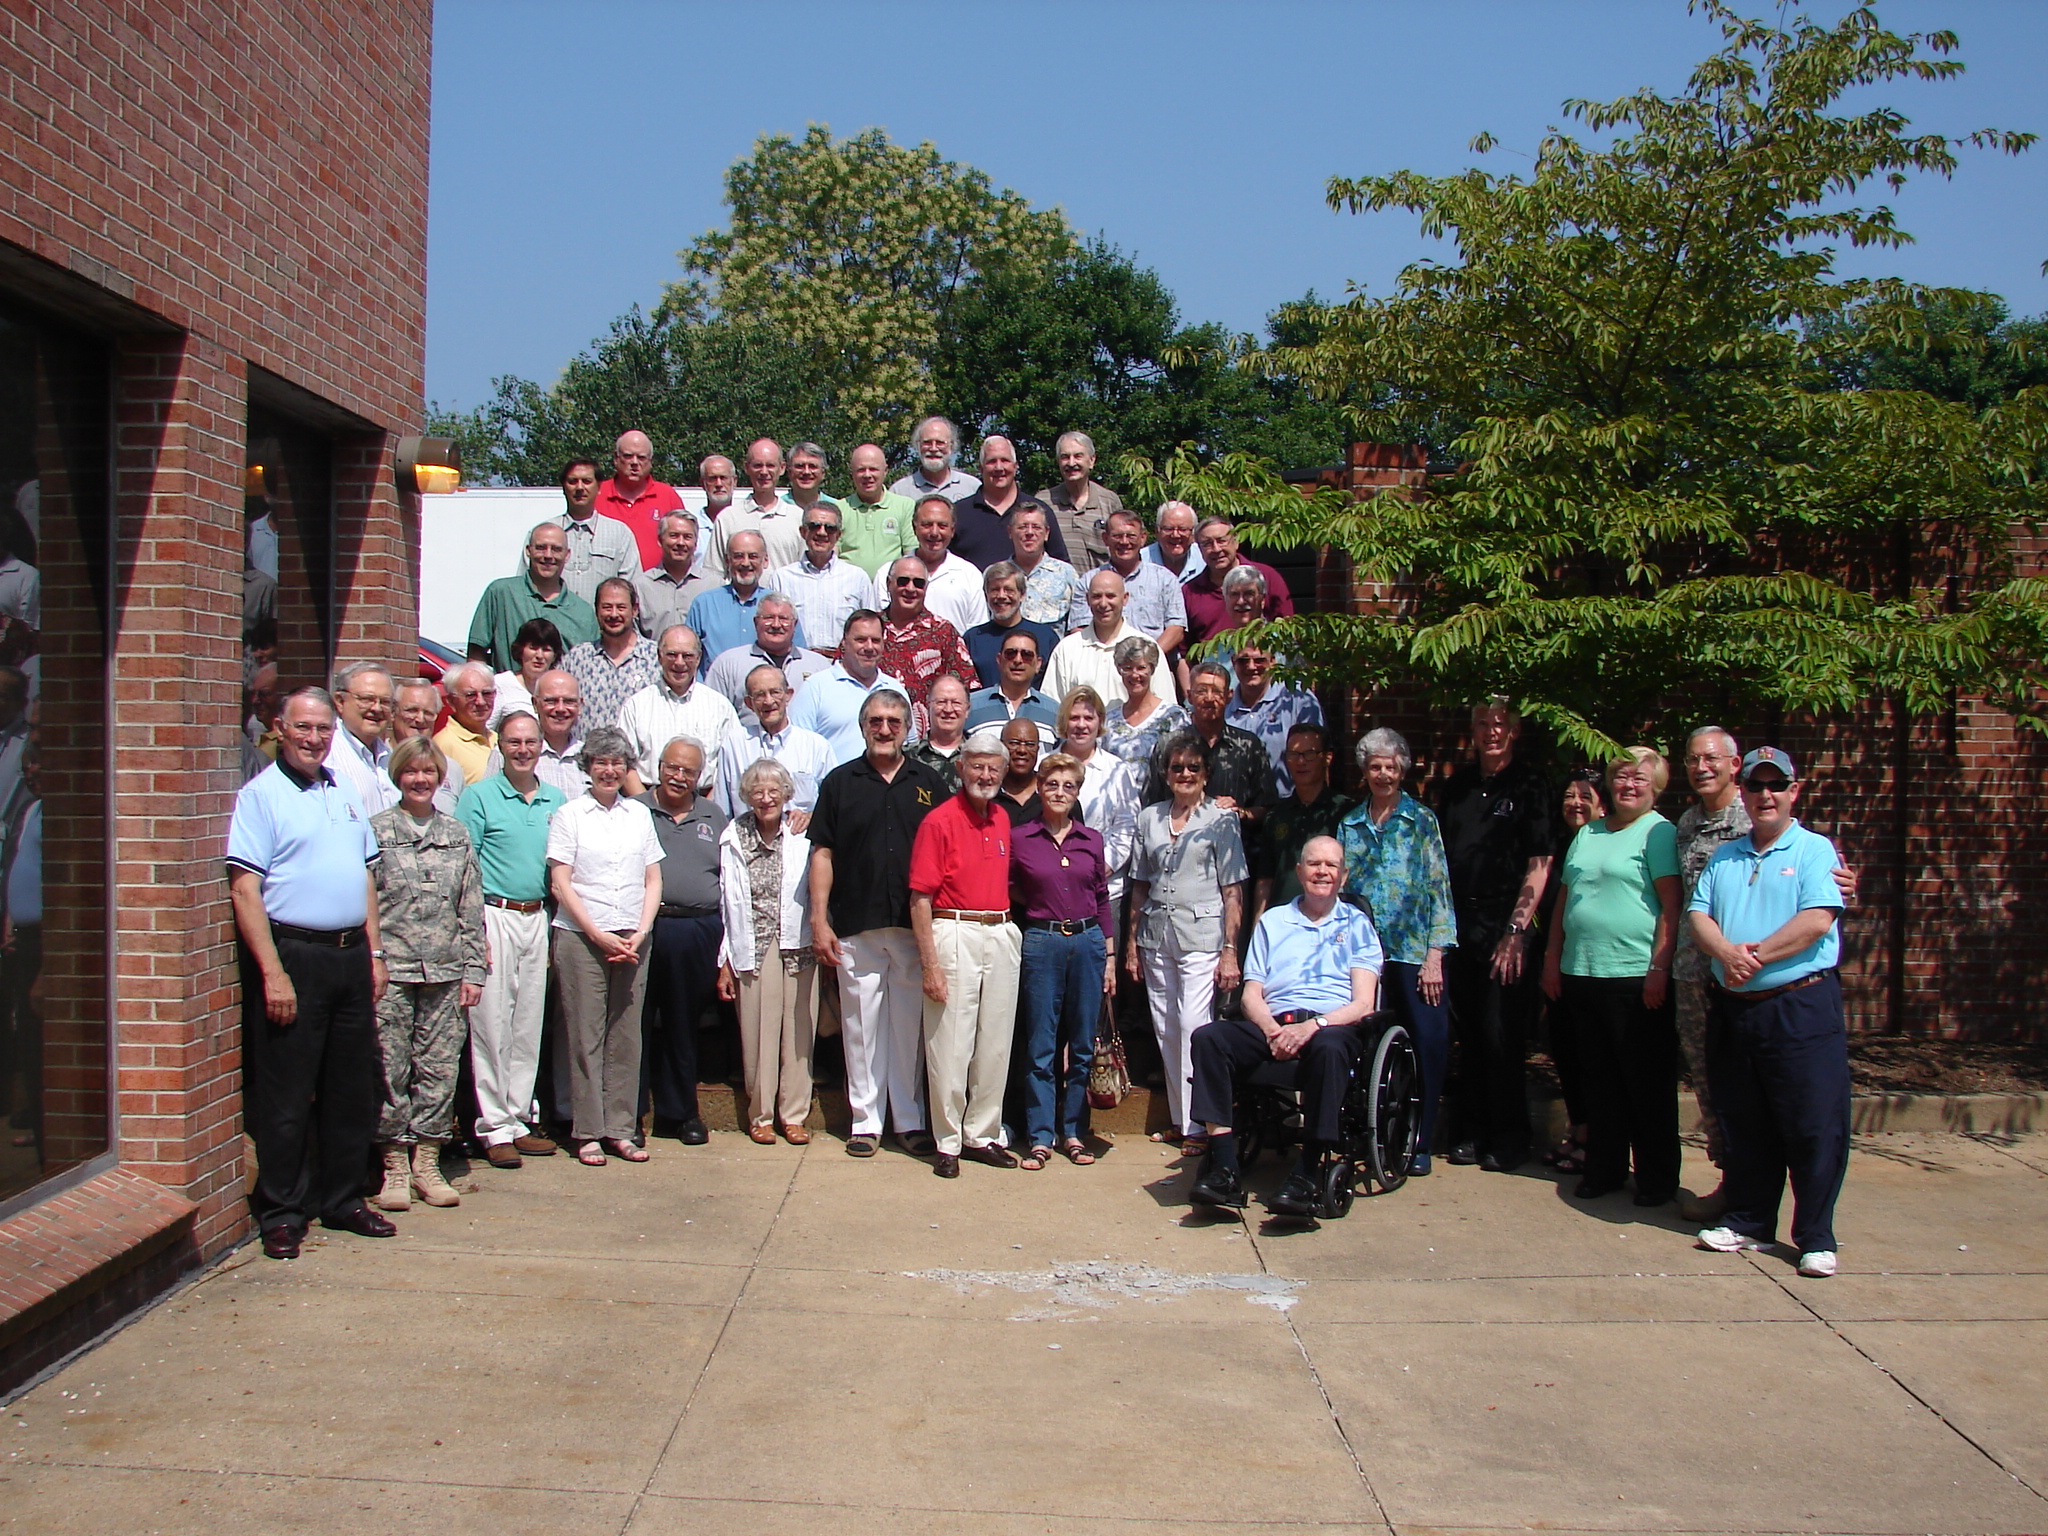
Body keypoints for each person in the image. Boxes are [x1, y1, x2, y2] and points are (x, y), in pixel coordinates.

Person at [226, 688, 392, 1259]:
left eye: (323, 729)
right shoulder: (261, 797)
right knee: (288, 1094)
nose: (314, 738)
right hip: (295, 955)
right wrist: (272, 973)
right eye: (303, 727)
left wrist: (374, 953)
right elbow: (245, 890)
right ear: (280, 727)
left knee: (350, 1089)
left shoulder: (340, 790)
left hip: (349, 956)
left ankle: (342, 1199)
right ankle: (282, 1211)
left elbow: (364, 875)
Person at [1687, 747, 1850, 1279]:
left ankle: (1815, 1238)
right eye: (1755, 786)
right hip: (1735, 1008)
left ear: (1793, 791)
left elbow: (1818, 919)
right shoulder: (1726, 856)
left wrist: (1752, 957)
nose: (1765, 795)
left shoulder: (1815, 850)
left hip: (1799, 1007)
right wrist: (1724, 953)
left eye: (1775, 785)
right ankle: (1749, 1220)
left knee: (1811, 1123)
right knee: (1744, 1119)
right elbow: (1699, 915)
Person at [1185, 836, 1384, 1214]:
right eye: (1314, 864)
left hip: (1330, 1027)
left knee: (1329, 1049)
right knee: (1209, 1038)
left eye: (1331, 865)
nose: (1322, 872)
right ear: (1299, 871)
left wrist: (1312, 1028)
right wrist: (1272, 1030)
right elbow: (1250, 995)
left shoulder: (1357, 925)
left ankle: (1307, 1172)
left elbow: (1363, 1003)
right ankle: (1224, 1167)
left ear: (1343, 875)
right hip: (1274, 1024)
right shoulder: (1273, 921)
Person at [1540, 748, 1682, 1206]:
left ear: (1655, 786)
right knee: (1598, 1081)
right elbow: (1565, 900)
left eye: (1639, 778)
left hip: (1635, 976)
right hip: (1582, 972)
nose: (1629, 785)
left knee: (1645, 1083)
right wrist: (1552, 956)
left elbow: (1671, 906)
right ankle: (1605, 1168)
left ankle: (1657, 1179)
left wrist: (1659, 968)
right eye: (1621, 776)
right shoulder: (1588, 833)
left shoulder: (1658, 832)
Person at [807, 691, 947, 1157]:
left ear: (908, 728)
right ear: (862, 726)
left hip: (912, 928)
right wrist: (819, 918)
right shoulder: (839, 782)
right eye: (875, 721)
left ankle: (908, 1120)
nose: (884, 729)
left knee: (908, 1030)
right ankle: (865, 1122)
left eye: (893, 721)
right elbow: (822, 853)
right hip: (856, 923)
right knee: (861, 1029)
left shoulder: (929, 782)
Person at [368, 735, 485, 1212]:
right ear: (398, 776)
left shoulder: (455, 834)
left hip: (445, 972)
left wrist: (474, 970)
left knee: (439, 1069)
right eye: (412, 771)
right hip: (392, 972)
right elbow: (366, 902)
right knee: (389, 1068)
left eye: (429, 772)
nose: (420, 780)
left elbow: (469, 906)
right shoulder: (376, 832)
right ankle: (394, 1164)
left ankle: (428, 1161)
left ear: (440, 779)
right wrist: (372, 958)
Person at [1437, 697, 1552, 1174]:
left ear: (1514, 731)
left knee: (1501, 1032)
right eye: (1483, 723)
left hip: (1506, 924)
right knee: (1467, 1033)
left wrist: (1516, 930)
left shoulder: (1530, 785)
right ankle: (1471, 1130)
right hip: (1460, 922)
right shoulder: (1458, 786)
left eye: (1500, 723)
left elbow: (1540, 862)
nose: (1491, 731)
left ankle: (1510, 1136)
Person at [1338, 727, 1455, 1174]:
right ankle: (1369, 1139)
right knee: (1366, 1050)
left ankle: (1418, 1142)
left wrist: (1435, 956)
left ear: (1402, 770)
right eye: (1375, 766)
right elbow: (1340, 892)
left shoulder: (1421, 821)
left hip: (1413, 954)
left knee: (1426, 1044)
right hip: (1365, 957)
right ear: (1364, 771)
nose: (1383, 774)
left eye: (1390, 766)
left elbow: (1439, 888)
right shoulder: (1350, 824)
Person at [547, 726, 664, 1167]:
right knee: (585, 1035)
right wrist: (596, 933)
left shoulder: (638, 814)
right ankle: (588, 1131)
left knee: (626, 1036)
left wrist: (641, 931)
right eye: (601, 762)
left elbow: (653, 878)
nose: (610, 770)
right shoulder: (570, 815)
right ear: (588, 767)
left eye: (617, 762)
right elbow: (561, 881)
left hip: (633, 938)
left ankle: (620, 1128)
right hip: (582, 938)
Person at [1126, 732, 1248, 1153]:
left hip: (1203, 935)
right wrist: (1131, 944)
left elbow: (1233, 890)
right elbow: (1139, 885)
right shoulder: (1149, 818)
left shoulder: (1221, 818)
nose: (1185, 774)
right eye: (1177, 767)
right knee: (1166, 1028)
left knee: (1194, 1025)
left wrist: (1230, 951)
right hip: (1156, 934)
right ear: (1166, 773)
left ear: (1206, 774)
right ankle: (1182, 1122)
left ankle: (1202, 1125)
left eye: (1193, 767)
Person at [454, 710, 565, 1170]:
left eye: (530, 742)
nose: (523, 750)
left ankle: (520, 1117)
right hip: (492, 916)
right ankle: (493, 1126)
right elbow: (465, 867)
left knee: (527, 1024)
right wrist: (472, 931)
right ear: (500, 746)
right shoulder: (479, 797)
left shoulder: (556, 799)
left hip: (536, 917)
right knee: (491, 1023)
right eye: (514, 742)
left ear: (541, 746)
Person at [907, 732, 1020, 1176]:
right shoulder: (938, 821)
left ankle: (982, 1134)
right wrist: (930, 965)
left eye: (994, 767)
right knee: (950, 1044)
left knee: (995, 1042)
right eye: (977, 765)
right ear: (960, 768)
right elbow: (920, 898)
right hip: (954, 929)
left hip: (1000, 930)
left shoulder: (1003, 818)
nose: (985, 775)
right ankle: (948, 1141)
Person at [1011, 751, 1115, 1169]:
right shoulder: (1021, 838)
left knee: (1083, 1043)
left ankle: (1073, 1131)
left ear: (1077, 793)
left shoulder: (1092, 840)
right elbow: (1010, 886)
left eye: (1068, 786)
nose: (1059, 792)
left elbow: (1102, 897)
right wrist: (1042, 905)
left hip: (1088, 942)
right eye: (1052, 784)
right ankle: (1040, 1135)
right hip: (1043, 941)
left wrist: (1109, 954)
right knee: (1041, 1043)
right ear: (1040, 788)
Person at [717, 759, 817, 1145]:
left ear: (786, 793)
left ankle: (794, 1115)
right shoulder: (733, 835)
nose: (766, 798)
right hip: (753, 943)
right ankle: (760, 1115)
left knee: (798, 1033)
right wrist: (724, 960)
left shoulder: (801, 832)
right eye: (757, 791)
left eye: (774, 790)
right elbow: (726, 901)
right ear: (747, 796)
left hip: (798, 942)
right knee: (758, 1032)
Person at [637, 735, 727, 1147]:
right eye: (672, 767)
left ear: (699, 776)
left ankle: (680, 1113)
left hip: (696, 930)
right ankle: (630, 1114)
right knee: (634, 1023)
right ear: (658, 768)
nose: (678, 776)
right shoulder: (634, 811)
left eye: (688, 771)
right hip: (643, 929)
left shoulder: (714, 816)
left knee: (683, 1024)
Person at [1536, 768, 1609, 1178]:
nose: (1575, 803)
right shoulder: (1558, 845)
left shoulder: (1606, 844)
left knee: (1593, 1056)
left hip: (1598, 968)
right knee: (1565, 1051)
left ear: (1602, 805)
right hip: (1559, 963)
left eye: (1585, 796)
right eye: (1568, 795)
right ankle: (1579, 1128)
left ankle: (1596, 1137)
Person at [1139, 662, 1275, 840]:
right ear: (1189, 696)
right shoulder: (1168, 745)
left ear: (1229, 696)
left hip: (1233, 847)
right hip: (1175, 846)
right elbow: (1150, 804)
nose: (1209, 698)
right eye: (1201, 691)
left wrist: (1241, 813)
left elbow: (1268, 807)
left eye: (1217, 691)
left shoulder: (1247, 746)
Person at [617, 626, 740, 796]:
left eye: (687, 656)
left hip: (705, 800)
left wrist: (708, 806)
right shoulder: (636, 706)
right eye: (672, 655)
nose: (679, 662)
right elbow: (624, 763)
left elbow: (732, 763)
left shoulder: (720, 707)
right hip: (647, 799)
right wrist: (644, 807)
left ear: (698, 658)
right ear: (659, 656)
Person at [466, 522, 599, 673]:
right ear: (528, 551)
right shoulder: (501, 594)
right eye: (541, 548)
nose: (548, 555)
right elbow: (475, 656)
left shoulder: (583, 612)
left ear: (567, 555)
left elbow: (591, 667)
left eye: (556, 549)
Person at [788, 610, 914, 764]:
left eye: (875, 640)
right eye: (861, 640)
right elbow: (798, 748)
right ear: (844, 642)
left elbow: (910, 746)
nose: (869, 647)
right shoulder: (815, 688)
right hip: (833, 779)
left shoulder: (896, 689)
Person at [713, 664, 836, 817]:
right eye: (759, 695)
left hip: (800, 832)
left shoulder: (816, 746)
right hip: (747, 831)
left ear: (788, 695)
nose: (768, 701)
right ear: (749, 703)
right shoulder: (734, 743)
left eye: (775, 692)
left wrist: (809, 817)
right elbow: (722, 808)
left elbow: (834, 804)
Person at [1044, 570, 1173, 707]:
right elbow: (1051, 707)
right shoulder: (1067, 649)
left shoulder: (1147, 647)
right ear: (1087, 599)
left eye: (1110, 596)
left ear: (1125, 598)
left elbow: (1166, 708)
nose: (1103, 604)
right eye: (1097, 596)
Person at [1072, 508, 1187, 657]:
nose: (1124, 542)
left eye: (1131, 536)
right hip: (1100, 661)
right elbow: (1079, 629)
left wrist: (1146, 658)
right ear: (1105, 538)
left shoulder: (1165, 579)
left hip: (1153, 663)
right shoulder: (1088, 581)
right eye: (1117, 536)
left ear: (1143, 538)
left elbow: (1176, 629)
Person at [878, 555, 977, 725]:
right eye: (903, 581)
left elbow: (966, 688)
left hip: (926, 736)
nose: (910, 588)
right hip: (876, 730)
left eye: (918, 583)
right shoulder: (869, 629)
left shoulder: (943, 632)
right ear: (889, 584)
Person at [687, 530, 808, 668]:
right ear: (727, 561)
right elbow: (687, 653)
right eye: (738, 556)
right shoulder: (704, 604)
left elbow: (800, 656)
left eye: (753, 556)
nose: (745, 563)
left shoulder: (781, 606)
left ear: (765, 561)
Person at [770, 499, 869, 657]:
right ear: (803, 532)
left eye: (830, 528)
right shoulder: (782, 578)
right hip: (797, 661)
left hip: (842, 663)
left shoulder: (857, 578)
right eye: (814, 526)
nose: (822, 533)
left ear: (838, 535)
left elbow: (869, 628)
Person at [562, 577, 660, 733]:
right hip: (587, 748)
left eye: (621, 607)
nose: (614, 614)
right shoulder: (577, 659)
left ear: (634, 610)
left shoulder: (656, 658)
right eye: (607, 607)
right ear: (596, 610)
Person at [535, 457, 638, 606]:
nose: (580, 487)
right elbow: (525, 585)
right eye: (572, 481)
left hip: (599, 620)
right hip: (552, 619)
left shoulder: (620, 533)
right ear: (563, 487)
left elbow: (632, 589)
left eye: (587, 481)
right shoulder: (542, 533)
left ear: (599, 487)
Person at [881, 496, 988, 637]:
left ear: (952, 530)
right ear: (914, 528)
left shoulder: (969, 574)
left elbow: (977, 631)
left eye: (942, 526)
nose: (934, 533)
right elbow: (875, 625)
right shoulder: (889, 572)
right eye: (927, 525)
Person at [702, 593, 830, 710]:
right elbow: (711, 711)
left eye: (783, 619)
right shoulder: (727, 664)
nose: (776, 625)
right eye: (769, 618)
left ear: (794, 624)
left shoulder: (819, 665)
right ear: (756, 622)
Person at [1226, 644, 1323, 797]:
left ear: (1272, 661)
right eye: (1243, 661)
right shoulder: (1224, 706)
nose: (1251, 667)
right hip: (1235, 805)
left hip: (1289, 804)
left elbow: (1316, 758)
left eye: (1259, 660)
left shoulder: (1298, 698)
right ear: (1233, 662)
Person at [1183, 517, 1294, 645]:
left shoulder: (1267, 576)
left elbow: (1286, 629)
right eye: (1207, 544)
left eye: (1222, 541)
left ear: (1236, 542)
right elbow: (1185, 649)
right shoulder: (1190, 591)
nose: (1216, 549)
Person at [598, 429, 689, 573]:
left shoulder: (667, 496)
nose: (635, 462)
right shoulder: (597, 494)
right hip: (609, 583)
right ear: (616, 458)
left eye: (641, 457)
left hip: (658, 582)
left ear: (650, 461)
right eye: (628, 456)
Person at [712, 437, 804, 571]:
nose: (764, 472)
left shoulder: (798, 518)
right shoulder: (728, 518)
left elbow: (805, 572)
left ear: (782, 468)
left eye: (770, 465)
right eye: (757, 465)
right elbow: (714, 573)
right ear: (747, 468)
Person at [1037, 430, 1124, 570]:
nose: (1071, 463)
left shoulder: (1109, 501)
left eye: (1078, 456)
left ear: (1092, 460)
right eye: (1065, 457)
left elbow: (1122, 548)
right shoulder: (1043, 502)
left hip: (1100, 582)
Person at [965, 562, 1058, 689]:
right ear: (986, 595)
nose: (1001, 596)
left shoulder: (1046, 637)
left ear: (1022, 595)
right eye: (995, 590)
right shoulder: (972, 639)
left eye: (1009, 590)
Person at [325, 661, 398, 815]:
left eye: (385, 702)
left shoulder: (389, 757)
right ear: (340, 701)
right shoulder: (327, 754)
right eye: (366, 699)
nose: (376, 708)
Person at [634, 511, 719, 640]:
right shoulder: (641, 587)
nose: (680, 542)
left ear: (696, 543)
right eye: (674, 536)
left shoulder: (714, 586)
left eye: (687, 537)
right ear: (660, 540)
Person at [1102, 635, 1186, 764]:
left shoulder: (1173, 716)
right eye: (1127, 668)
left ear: (1152, 669)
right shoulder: (1109, 721)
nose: (1135, 675)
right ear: (1119, 670)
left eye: (1141, 668)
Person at [838, 442, 918, 579]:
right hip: (848, 586)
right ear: (852, 473)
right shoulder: (839, 508)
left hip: (891, 587)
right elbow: (832, 555)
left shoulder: (905, 506)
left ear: (885, 471)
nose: (867, 475)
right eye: (861, 470)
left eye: (873, 469)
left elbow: (910, 554)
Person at [966, 628, 1057, 743]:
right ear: (999, 660)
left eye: (1027, 655)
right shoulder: (970, 707)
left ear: (1038, 664)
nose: (1018, 660)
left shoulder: (1055, 712)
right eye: (1011, 653)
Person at [394, 679, 466, 813]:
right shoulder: (379, 765)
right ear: (393, 712)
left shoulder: (451, 769)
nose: (420, 719)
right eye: (411, 710)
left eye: (428, 713)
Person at [1007, 503, 1083, 627]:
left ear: (1046, 533)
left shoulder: (1066, 573)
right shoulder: (996, 575)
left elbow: (1078, 625)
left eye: (1036, 527)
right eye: (1022, 527)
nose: (1029, 532)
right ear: (1010, 532)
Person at [488, 617, 563, 728]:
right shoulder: (501, 684)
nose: (539, 656)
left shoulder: (560, 688)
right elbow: (487, 730)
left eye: (546, 650)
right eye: (533, 648)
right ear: (521, 650)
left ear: (554, 655)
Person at [890, 415, 980, 502]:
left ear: (951, 446)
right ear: (918, 445)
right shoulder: (899, 491)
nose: (933, 448)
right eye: (927, 442)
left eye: (940, 443)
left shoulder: (972, 487)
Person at [433, 663, 498, 785]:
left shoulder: (498, 739)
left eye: (486, 693)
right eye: (470, 695)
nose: (480, 702)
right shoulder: (444, 744)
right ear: (451, 701)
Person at [905, 672, 970, 792]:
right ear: (928, 706)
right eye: (941, 702)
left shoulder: (979, 756)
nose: (948, 709)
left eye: (956, 703)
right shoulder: (906, 757)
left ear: (967, 710)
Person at [993, 718, 1046, 826]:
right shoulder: (986, 792)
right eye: (1014, 743)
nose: (1022, 750)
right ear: (1001, 746)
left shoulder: (1053, 793)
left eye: (1030, 744)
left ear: (1038, 749)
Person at [1140, 499, 1201, 586]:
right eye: (1168, 529)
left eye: (1182, 529)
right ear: (1157, 531)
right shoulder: (1140, 561)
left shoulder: (1205, 560)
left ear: (1193, 533)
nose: (1175, 535)